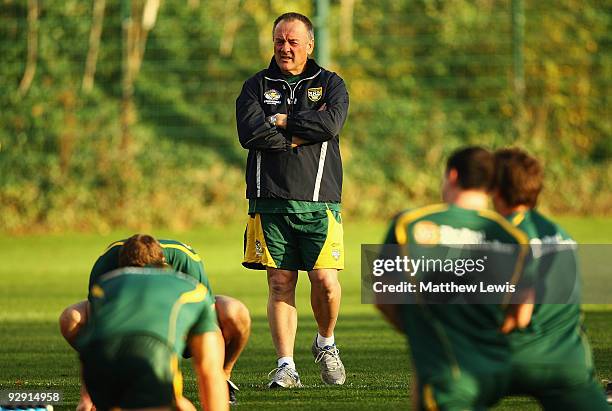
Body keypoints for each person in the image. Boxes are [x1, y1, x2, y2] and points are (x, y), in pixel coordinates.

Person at [236, 12, 349, 388]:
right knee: (280, 283)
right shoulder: (255, 86)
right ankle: (286, 367)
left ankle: (325, 341)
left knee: (326, 283)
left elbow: (330, 125)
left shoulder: (331, 83)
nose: (285, 48)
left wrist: (283, 121)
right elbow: (250, 133)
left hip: (319, 201)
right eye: (279, 41)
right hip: (269, 200)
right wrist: (297, 138)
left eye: (293, 42)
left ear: (310, 45)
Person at [376, 147, 535, 410]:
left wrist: (423, 332)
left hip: (448, 372)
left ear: (452, 175)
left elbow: (383, 297)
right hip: (494, 371)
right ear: (492, 184)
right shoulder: (513, 237)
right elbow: (521, 314)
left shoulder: (410, 225)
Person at [59, 236, 250, 408]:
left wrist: (87, 396)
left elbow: (96, 338)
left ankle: (226, 375)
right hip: (154, 351)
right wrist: (211, 378)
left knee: (234, 311)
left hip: (105, 358)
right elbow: (207, 367)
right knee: (174, 401)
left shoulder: (185, 260)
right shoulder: (107, 262)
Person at [492, 147, 608, 410]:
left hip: (517, 354)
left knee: (447, 385)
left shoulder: (504, 236)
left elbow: (519, 314)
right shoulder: (561, 234)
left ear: (495, 188)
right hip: (571, 359)